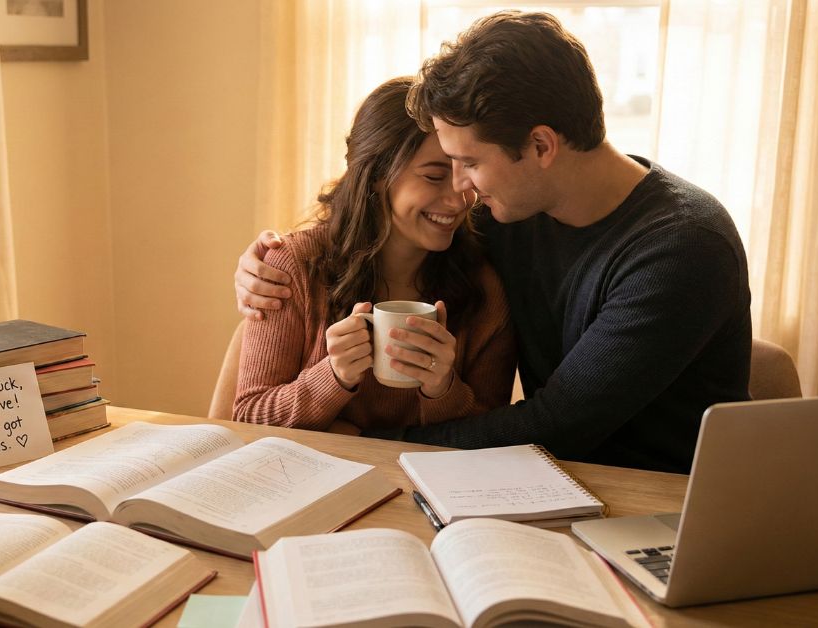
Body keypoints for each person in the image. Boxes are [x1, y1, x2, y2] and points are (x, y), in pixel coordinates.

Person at [234, 12, 751, 474]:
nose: (462, 191)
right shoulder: (510, 210)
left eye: (470, 163)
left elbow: (557, 425)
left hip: (663, 503)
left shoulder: (683, 247)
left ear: (541, 145)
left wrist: (361, 445)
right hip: (542, 485)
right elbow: (381, 221)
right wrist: (266, 264)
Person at [232, 76, 516, 433]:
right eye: (434, 176)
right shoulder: (292, 267)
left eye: (467, 173)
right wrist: (332, 376)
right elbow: (249, 418)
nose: (460, 198)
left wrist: (443, 389)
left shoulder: (484, 290)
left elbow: (493, 434)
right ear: (375, 175)